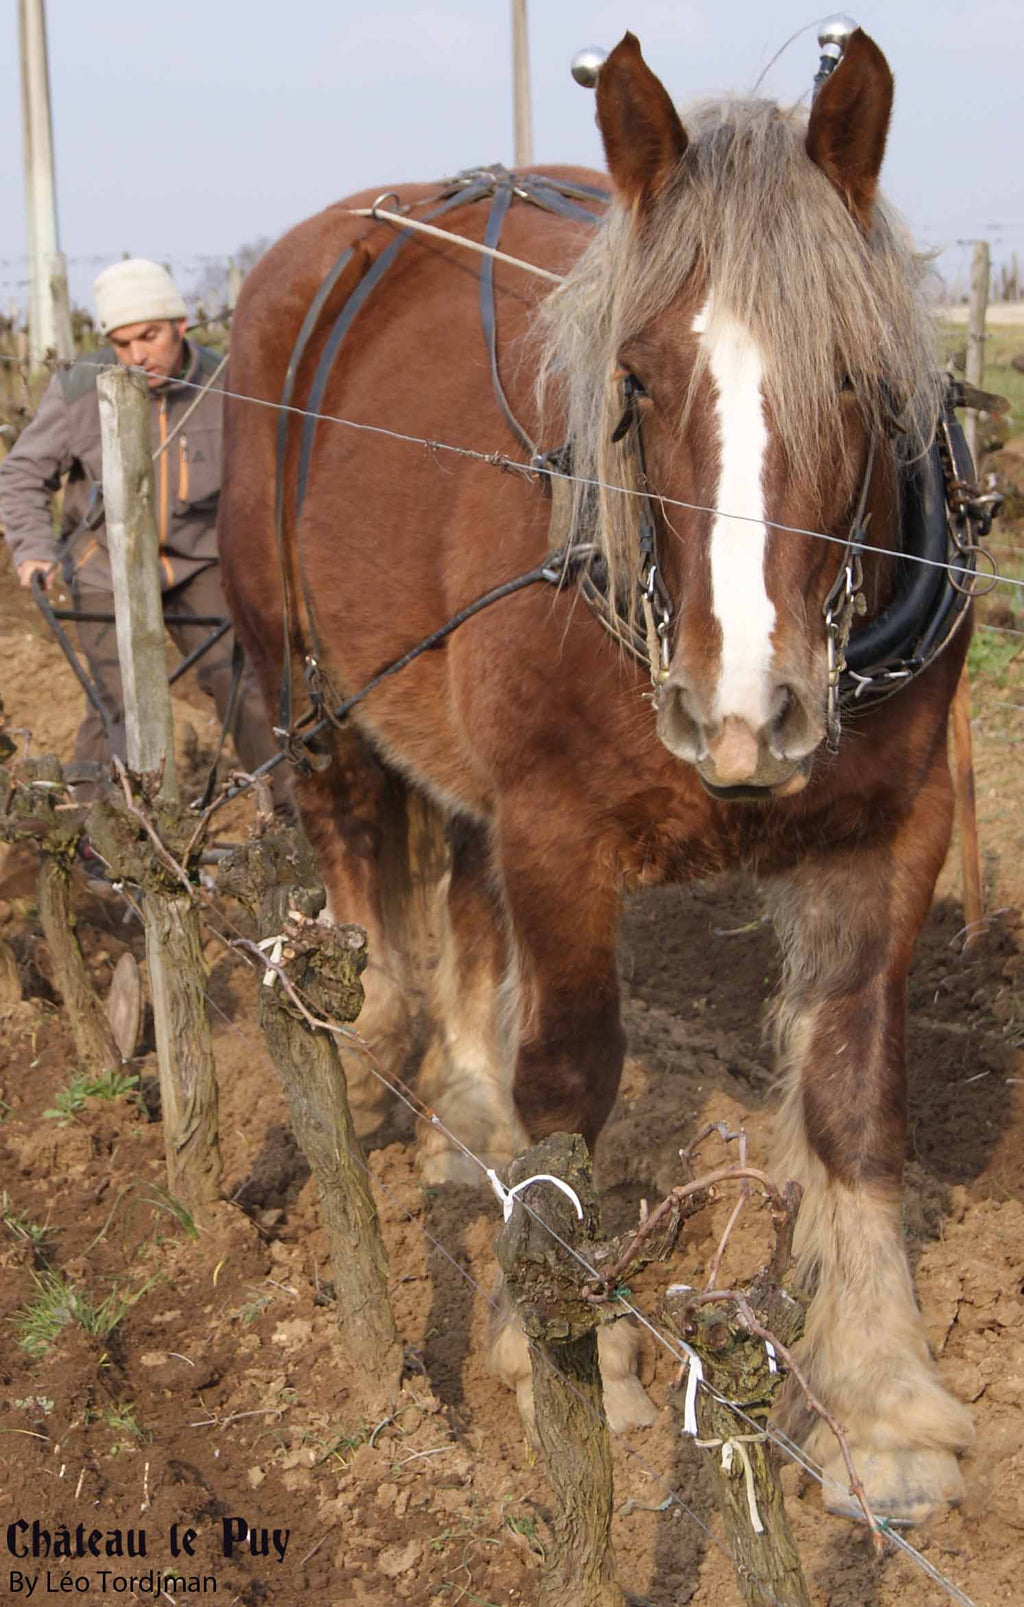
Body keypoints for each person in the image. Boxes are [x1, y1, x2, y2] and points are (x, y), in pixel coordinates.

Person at [0, 257, 280, 803]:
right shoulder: (79, 384)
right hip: (104, 565)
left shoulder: (227, 384)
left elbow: (263, 486)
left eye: (149, 336)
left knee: (239, 683)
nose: (137, 356)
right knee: (116, 700)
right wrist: (32, 549)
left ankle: (292, 816)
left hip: (199, 562)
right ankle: (103, 830)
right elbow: (23, 471)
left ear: (179, 324)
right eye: (122, 343)